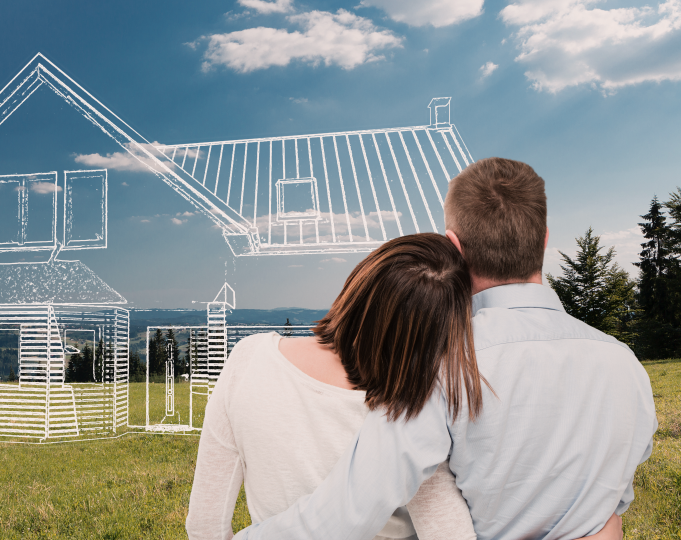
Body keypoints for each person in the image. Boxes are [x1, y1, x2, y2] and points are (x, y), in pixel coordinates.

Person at [234, 157, 657, 540]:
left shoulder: (440, 367)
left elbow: (347, 512)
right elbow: (613, 501)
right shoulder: (625, 364)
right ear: (544, 239)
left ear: (453, 246)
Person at [187, 233, 481, 540]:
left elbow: (205, 525)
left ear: (360, 280)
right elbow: (448, 532)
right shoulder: (411, 408)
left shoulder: (249, 359)